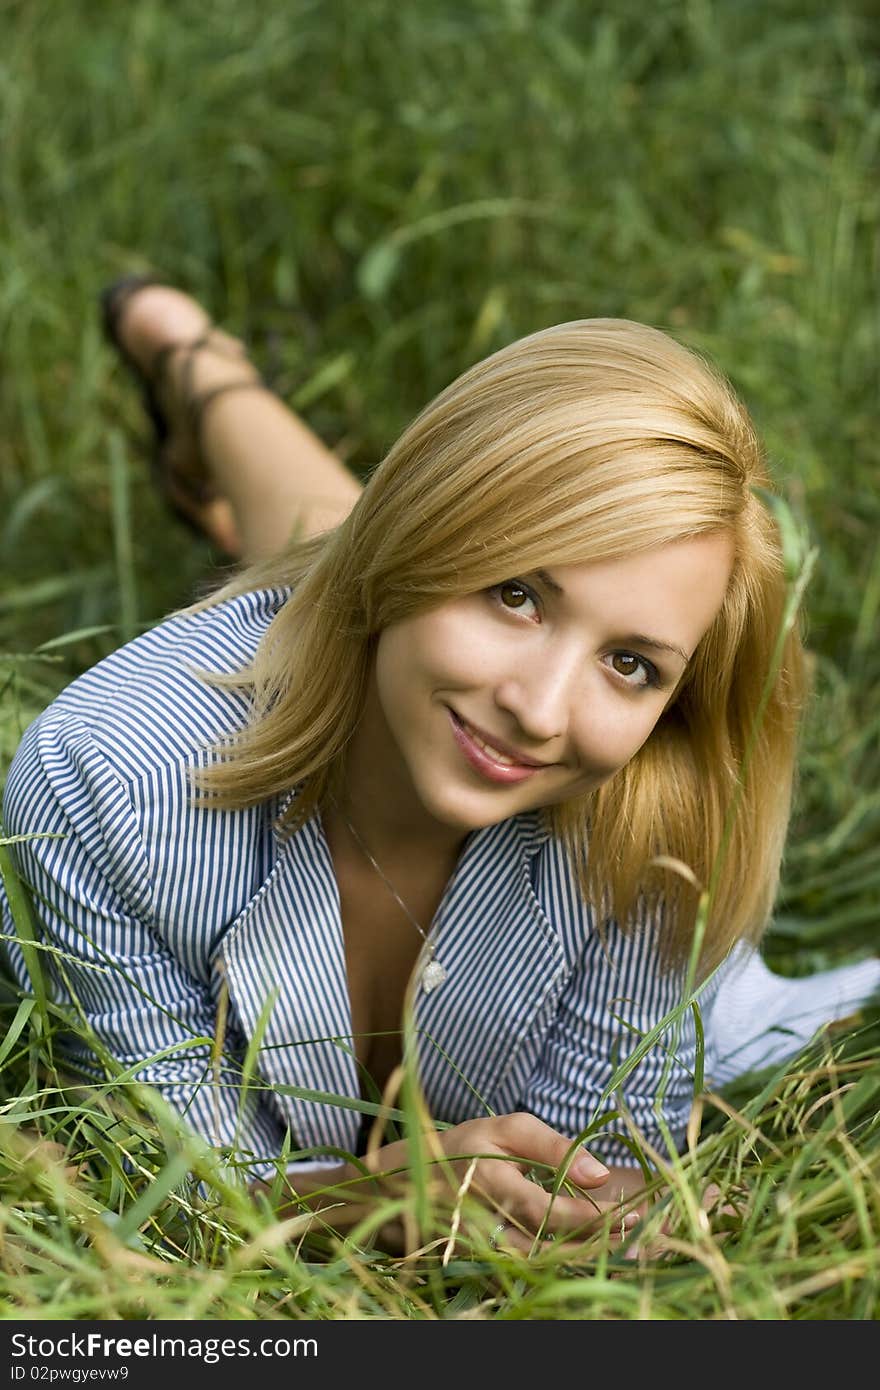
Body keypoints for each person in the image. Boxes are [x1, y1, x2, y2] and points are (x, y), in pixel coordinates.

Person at [2, 280, 878, 1255]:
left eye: (629, 662)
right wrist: (375, 1197)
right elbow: (177, 1198)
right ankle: (192, 362)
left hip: (382, 601)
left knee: (339, 549)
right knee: (336, 551)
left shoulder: (655, 789)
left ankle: (218, 380)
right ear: (428, 530)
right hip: (355, 596)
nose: (540, 711)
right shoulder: (102, 781)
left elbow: (583, 1179)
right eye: (515, 593)